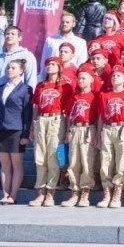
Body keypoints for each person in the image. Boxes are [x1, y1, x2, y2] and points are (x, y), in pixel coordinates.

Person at [0, 59, 32, 205]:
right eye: (8, 67)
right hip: (0, 130)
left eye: (13, 68)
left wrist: (26, 134)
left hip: (16, 130)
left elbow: (27, 113)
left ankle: (13, 195)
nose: (9, 70)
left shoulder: (26, 89)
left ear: (21, 71)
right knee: (4, 165)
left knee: (16, 164)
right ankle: (5, 194)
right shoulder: (0, 89)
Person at [30, 58, 70, 207]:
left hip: (57, 119)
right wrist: (32, 126)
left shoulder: (65, 86)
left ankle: (50, 193)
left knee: (54, 157)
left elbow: (68, 110)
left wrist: (66, 131)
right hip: (41, 119)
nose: (49, 66)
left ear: (59, 67)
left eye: (53, 64)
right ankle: (40, 193)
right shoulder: (40, 85)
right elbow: (35, 106)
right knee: (40, 157)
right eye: (47, 64)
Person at [96, 68, 124, 208]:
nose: (115, 77)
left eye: (118, 75)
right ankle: (106, 191)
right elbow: (100, 116)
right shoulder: (104, 94)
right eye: (113, 75)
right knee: (105, 160)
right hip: (107, 127)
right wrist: (98, 135)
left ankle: (117, 192)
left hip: (122, 127)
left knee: (121, 160)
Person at [63, 69, 99, 207]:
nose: (81, 81)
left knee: (86, 161)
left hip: (88, 128)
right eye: (79, 78)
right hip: (74, 128)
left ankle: (85, 192)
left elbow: (98, 116)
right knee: (73, 161)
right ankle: (74, 192)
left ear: (91, 80)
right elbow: (68, 116)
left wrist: (97, 134)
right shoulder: (74, 97)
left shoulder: (95, 96)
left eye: (84, 78)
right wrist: (67, 132)